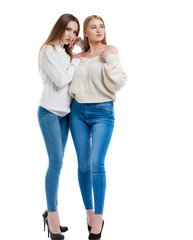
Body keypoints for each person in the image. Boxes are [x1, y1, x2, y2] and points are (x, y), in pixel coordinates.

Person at [69, 15, 127, 240]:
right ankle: (89, 213)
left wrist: (110, 59)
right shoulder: (79, 56)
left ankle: (100, 217)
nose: (99, 30)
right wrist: (76, 51)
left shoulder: (109, 50)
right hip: (78, 112)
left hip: (103, 112)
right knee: (83, 165)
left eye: (101, 26)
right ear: (85, 32)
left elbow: (119, 82)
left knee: (96, 163)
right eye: (93, 27)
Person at [38, 14, 83, 240]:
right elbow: (60, 80)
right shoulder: (48, 49)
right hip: (49, 113)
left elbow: (80, 54)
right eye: (68, 29)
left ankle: (50, 210)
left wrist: (77, 45)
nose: (71, 35)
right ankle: (52, 216)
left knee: (59, 162)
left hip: (65, 114)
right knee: (55, 162)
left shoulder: (67, 52)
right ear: (59, 28)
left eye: (75, 32)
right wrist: (77, 59)